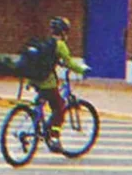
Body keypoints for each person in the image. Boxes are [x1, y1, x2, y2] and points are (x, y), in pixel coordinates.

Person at [29, 16, 90, 152]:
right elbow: (69, 62)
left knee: (43, 101)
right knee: (60, 107)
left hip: (35, 78)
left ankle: (40, 125)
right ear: (63, 32)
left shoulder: (46, 43)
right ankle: (54, 137)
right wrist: (82, 69)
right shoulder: (60, 45)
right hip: (47, 81)